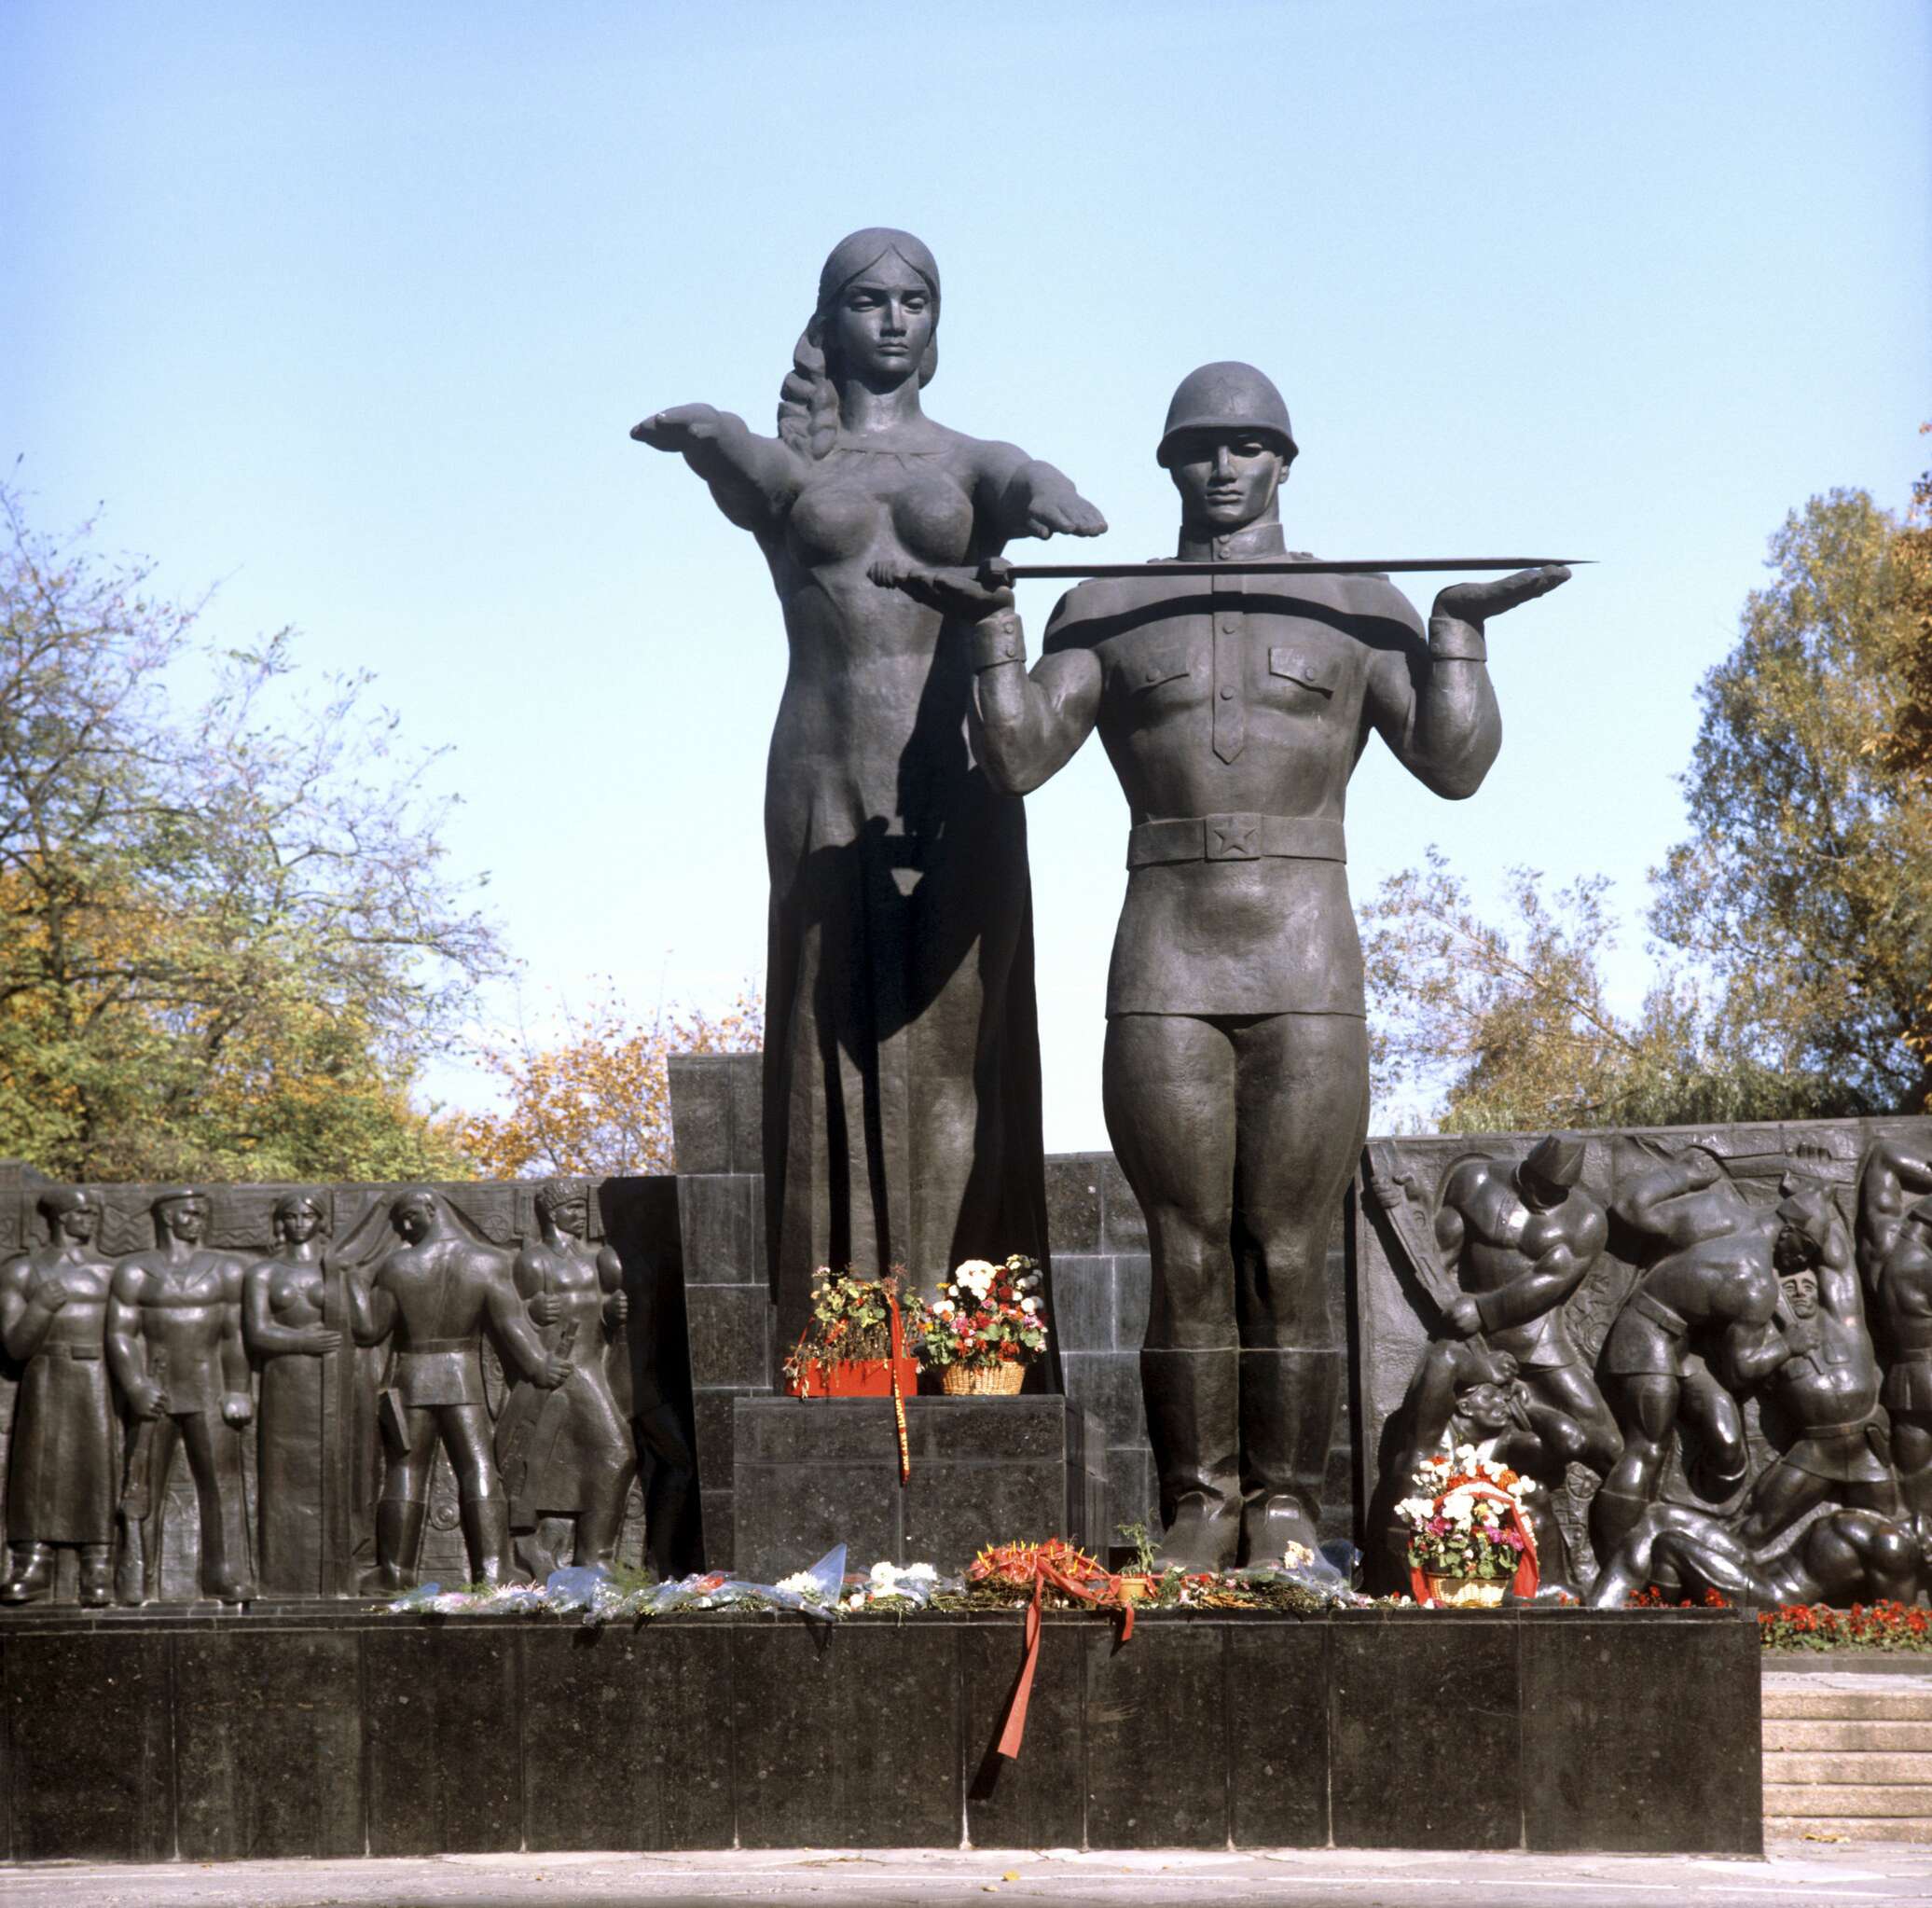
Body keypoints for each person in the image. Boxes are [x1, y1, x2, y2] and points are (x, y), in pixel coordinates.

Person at [881, 360, 1567, 1567]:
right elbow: (1019, 759)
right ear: (1168, 464)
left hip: (1308, 960)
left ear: (1284, 461)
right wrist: (989, 627)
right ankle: (1199, 1503)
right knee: (1185, 1247)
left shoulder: (1357, 603)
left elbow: (1453, 764)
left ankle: (1288, 1504)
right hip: (1167, 957)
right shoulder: (1106, 607)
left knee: (1289, 1250)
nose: (1224, 464)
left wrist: (1454, 633)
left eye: (1248, 444)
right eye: (1199, 446)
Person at [630, 228, 1105, 1357]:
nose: (893, 319)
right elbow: (755, 473)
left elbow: (1017, 478)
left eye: (913, 302)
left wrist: (1048, 490)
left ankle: (961, 1323)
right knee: (824, 1030)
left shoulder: (973, 460)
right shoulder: (800, 470)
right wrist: (711, 436)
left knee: (953, 1045)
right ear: (828, 321)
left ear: (935, 324)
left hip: (957, 774)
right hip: (823, 763)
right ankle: (843, 1330)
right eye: (868, 300)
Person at [355, 1189, 567, 1592]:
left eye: (410, 1216)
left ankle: (395, 1573)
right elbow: (510, 1325)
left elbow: (369, 1330)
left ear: (433, 1209)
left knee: (407, 1470)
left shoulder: (397, 1266)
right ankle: (493, 1570)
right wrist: (538, 1364)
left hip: (413, 1377)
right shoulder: (486, 1261)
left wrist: (349, 1281)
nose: (404, 1226)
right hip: (461, 1377)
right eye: (399, 1221)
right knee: (478, 1467)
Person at [1592, 1146, 1782, 1555]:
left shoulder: (1730, 1219)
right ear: (1793, 1238)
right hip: (1646, 1336)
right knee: (1647, 1447)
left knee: (1728, 1443)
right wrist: (1683, 1175)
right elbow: (1741, 1370)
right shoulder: (1727, 1226)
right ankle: (1614, 1558)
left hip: (1684, 1349)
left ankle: (1676, 1521)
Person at [1433, 1135, 1620, 1473]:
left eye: (1557, 1192)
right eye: (1542, 1186)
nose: (1546, 1197)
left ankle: (1523, 1409)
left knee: (1607, 1447)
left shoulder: (1586, 1219)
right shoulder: (1476, 1181)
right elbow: (1438, 1256)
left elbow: (1552, 1279)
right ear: (1528, 1171)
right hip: (1469, 1340)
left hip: (1539, 1343)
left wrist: (1483, 1310)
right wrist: (1409, 1207)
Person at [106, 1189, 255, 1603]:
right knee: (141, 1483)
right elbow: (120, 1333)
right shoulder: (134, 1271)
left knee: (222, 1484)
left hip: (210, 1389)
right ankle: (137, 1573)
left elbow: (234, 1334)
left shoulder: (226, 1269)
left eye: (202, 1214)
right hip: (156, 1388)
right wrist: (135, 1385)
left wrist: (239, 1388)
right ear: (168, 1217)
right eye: (190, 1213)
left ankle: (224, 1573)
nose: (198, 1220)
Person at [494, 1181, 637, 1576]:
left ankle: (592, 1556)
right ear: (551, 1213)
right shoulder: (533, 1262)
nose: (580, 1215)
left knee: (612, 1456)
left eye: (581, 1207)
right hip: (561, 1371)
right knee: (614, 1452)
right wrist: (532, 1313)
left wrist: (613, 1312)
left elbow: (599, 1314)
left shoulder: (593, 1261)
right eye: (572, 1208)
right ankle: (589, 1557)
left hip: (592, 1365)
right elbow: (509, 1320)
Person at [243, 1191, 368, 1595]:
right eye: (291, 1216)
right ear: (281, 1222)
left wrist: (352, 1278)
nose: (299, 1223)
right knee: (283, 1476)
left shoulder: (337, 1270)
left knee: (335, 1471)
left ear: (320, 1221)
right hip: (284, 1383)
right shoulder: (263, 1273)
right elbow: (256, 1332)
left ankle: (336, 1574)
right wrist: (301, 1341)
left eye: (307, 1215)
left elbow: (366, 1328)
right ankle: (281, 1578)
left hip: (334, 1384)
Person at [0, 1190, 117, 1606]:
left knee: (95, 1467)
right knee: (36, 1468)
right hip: (45, 1375)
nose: (91, 1219)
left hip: (98, 1376)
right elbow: (15, 1346)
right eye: (82, 1212)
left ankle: (98, 1563)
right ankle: (32, 1562)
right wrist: (40, 1308)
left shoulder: (111, 1271)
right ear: (60, 1217)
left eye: (94, 1212)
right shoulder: (22, 1271)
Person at [1586, 1500, 1921, 1611]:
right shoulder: (1881, 1526)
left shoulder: (1895, 1546)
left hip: (1770, 1599)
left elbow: (1898, 1617)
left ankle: (1622, 1621)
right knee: (1661, 1515)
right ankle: (1599, 1609)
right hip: (1755, 1569)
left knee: (1669, 1544)